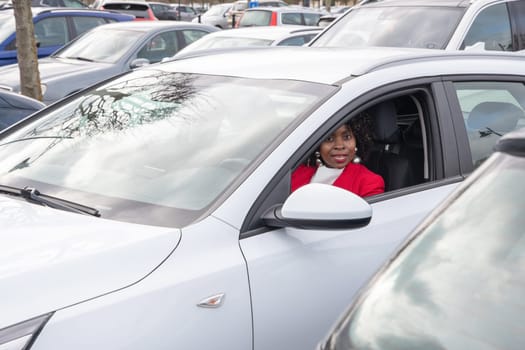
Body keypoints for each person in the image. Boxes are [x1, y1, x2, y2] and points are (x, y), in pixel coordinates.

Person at [291, 114, 385, 197]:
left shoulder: (369, 182)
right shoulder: (296, 173)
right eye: (329, 138)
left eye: (347, 137)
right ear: (318, 145)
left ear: (357, 141)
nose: (339, 146)